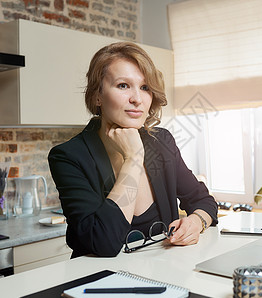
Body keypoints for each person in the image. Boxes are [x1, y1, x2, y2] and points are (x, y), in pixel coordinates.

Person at [48, 42, 218, 258]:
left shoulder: (161, 141)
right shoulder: (69, 156)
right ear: (97, 96)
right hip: (98, 283)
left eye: (145, 87)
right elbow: (104, 243)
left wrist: (196, 222)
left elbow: (203, 200)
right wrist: (133, 157)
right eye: (123, 85)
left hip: (164, 275)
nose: (137, 99)